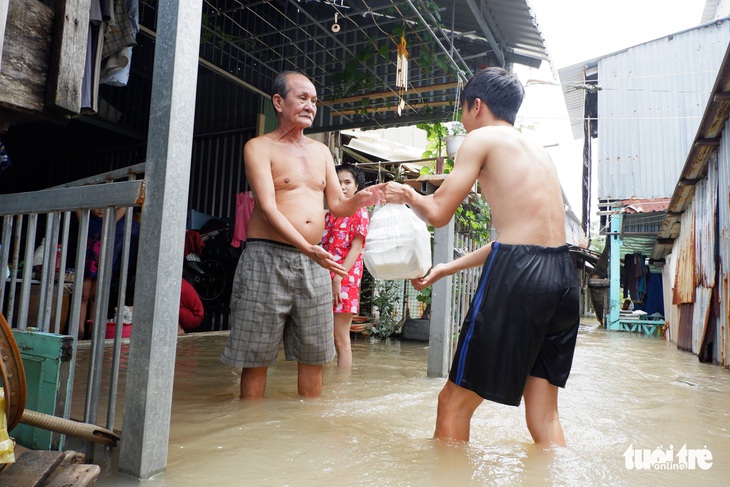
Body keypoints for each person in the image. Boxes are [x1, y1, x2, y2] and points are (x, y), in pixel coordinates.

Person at [380, 67, 579, 446]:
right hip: (563, 277)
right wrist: (445, 269)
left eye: (463, 112)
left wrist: (407, 194)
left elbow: (439, 213)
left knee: (452, 403)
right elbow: (516, 242)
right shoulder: (539, 153)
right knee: (544, 414)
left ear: (477, 105)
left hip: (520, 276)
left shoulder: (481, 138)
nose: (463, 121)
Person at [220, 71, 380, 399]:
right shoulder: (258, 147)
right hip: (267, 257)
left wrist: (363, 198)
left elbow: (337, 205)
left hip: (313, 260)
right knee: (255, 357)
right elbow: (266, 208)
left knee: (315, 355)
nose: (310, 106)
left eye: (315, 101)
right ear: (278, 102)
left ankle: (311, 434)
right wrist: (308, 248)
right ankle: (249, 429)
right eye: (302, 98)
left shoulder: (321, 153)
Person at [321, 163, 370, 368]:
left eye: (347, 182)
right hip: (323, 276)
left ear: (356, 185)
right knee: (324, 338)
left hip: (344, 280)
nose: (342, 186)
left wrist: (338, 278)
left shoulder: (359, 211)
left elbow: (356, 249)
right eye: (338, 182)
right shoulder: (329, 213)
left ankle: (341, 390)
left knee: (341, 339)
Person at [76, 207, 127, 340]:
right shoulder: (86, 219)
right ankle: (79, 330)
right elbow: (78, 205)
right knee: (83, 296)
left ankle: (93, 331)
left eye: (104, 208)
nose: (100, 210)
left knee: (95, 297)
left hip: (102, 265)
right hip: (86, 265)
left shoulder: (110, 221)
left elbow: (125, 206)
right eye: (97, 207)